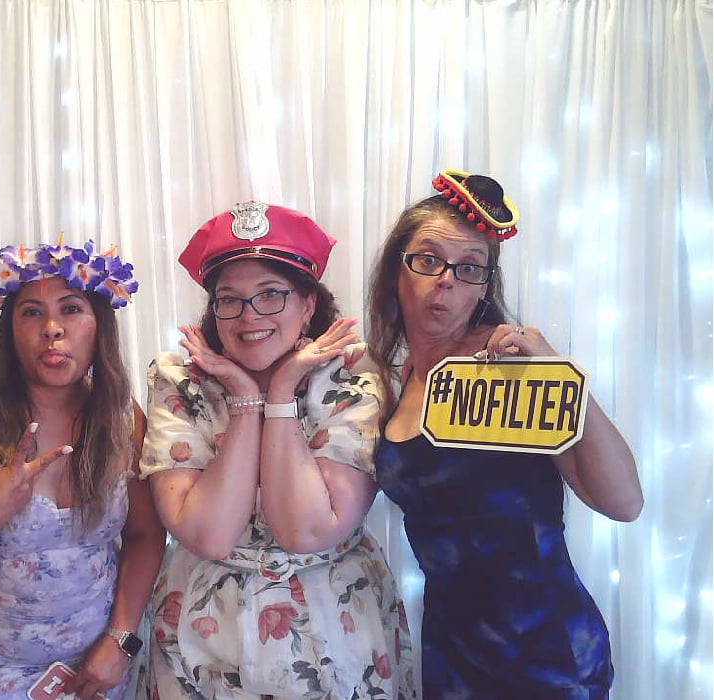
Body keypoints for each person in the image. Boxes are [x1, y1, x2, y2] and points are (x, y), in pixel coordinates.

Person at [367, 169, 644, 698]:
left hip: (547, 656)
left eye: (469, 268)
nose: (446, 280)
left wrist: (559, 374)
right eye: (428, 260)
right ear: (395, 271)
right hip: (451, 652)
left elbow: (624, 502)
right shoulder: (393, 378)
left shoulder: (506, 370)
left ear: (484, 288)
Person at [141, 201, 416, 699]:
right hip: (205, 632)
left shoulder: (352, 375)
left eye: (271, 295)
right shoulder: (180, 379)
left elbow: (307, 530)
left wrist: (283, 391)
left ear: (308, 304)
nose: (249, 316)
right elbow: (208, 534)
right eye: (230, 299)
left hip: (332, 623)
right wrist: (246, 401)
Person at [0, 239, 166, 699]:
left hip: (95, 670)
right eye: (32, 313)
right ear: (11, 330)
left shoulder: (122, 418)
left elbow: (145, 536)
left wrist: (120, 639)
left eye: (71, 309)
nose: (52, 329)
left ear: (100, 325)